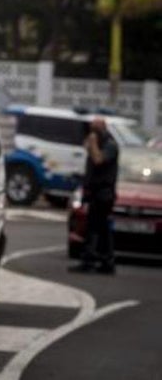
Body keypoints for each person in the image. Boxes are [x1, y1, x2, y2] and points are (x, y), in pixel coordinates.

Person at [70, 116, 119, 274]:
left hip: (104, 194)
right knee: (96, 228)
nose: (92, 133)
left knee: (98, 229)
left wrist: (92, 143)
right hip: (95, 193)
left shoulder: (110, 145)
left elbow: (98, 160)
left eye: (94, 129)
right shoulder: (98, 142)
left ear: (102, 128)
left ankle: (96, 261)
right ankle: (101, 261)